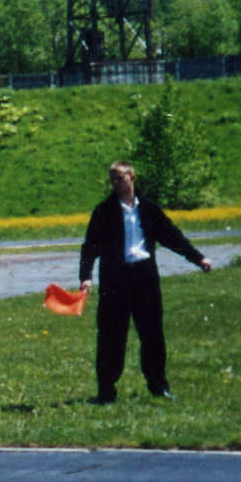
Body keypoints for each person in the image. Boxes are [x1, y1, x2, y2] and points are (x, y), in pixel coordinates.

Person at [79, 160, 213, 404]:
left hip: (145, 277)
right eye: (112, 179)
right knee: (111, 336)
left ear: (132, 177)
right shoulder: (104, 211)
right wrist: (86, 276)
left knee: (152, 335)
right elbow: (90, 246)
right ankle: (106, 391)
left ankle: (158, 386)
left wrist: (198, 258)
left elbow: (172, 236)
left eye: (120, 177)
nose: (116, 183)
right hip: (115, 280)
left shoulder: (149, 208)